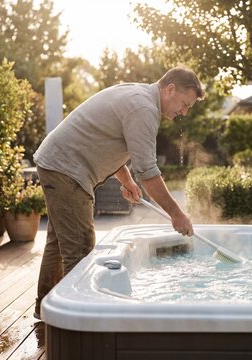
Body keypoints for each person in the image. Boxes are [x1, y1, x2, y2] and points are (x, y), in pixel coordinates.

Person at [32, 66, 205, 320]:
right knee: (79, 248)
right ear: (170, 89)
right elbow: (148, 172)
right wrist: (177, 215)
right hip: (67, 170)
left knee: (58, 244)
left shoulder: (139, 97)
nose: (184, 112)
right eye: (184, 103)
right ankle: (77, 322)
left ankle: (46, 310)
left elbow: (110, 141)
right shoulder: (144, 109)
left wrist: (126, 181)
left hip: (57, 163)